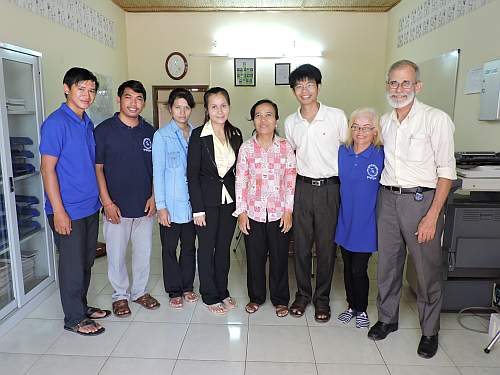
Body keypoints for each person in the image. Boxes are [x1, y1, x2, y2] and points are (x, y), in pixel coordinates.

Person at [367, 60, 456, 359]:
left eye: (406, 83)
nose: (399, 88)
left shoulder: (436, 119)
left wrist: (432, 215)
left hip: (422, 202)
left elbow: (446, 171)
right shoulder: (385, 120)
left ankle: (430, 332)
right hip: (388, 199)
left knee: (426, 270)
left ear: (417, 86)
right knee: (388, 266)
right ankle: (387, 319)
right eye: (393, 82)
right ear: (387, 86)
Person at [40, 67, 109, 336]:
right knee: (71, 265)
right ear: (67, 88)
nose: (88, 95)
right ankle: (74, 318)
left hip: (89, 207)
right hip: (67, 209)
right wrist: (58, 211)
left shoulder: (86, 122)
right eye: (82, 89)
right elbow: (47, 169)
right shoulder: (56, 123)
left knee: (85, 262)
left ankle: (81, 306)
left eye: (92, 90)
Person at [284, 64, 348, 322]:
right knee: (300, 246)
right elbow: (289, 160)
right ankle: (302, 295)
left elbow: (349, 150)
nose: (305, 90)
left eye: (310, 84)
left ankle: (322, 299)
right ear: (293, 91)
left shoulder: (336, 116)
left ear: (318, 87)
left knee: (325, 248)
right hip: (302, 188)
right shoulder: (291, 122)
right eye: (299, 86)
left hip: (330, 189)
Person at [94, 80, 159, 318]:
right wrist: (107, 203)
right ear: (119, 100)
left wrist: (154, 196)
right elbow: (98, 168)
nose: (134, 103)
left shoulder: (150, 132)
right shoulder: (103, 131)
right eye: (129, 97)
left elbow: (155, 170)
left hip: (144, 206)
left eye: (139, 98)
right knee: (117, 254)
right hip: (116, 209)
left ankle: (140, 291)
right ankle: (120, 296)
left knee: (143, 253)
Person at [234, 99, 296, 318]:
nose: (263, 119)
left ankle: (280, 299)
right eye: (258, 115)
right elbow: (240, 181)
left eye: (268, 114)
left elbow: (290, 181)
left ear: (276, 119)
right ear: (253, 119)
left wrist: (289, 211)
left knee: (280, 257)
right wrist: (241, 212)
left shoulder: (286, 147)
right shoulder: (246, 148)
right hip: (253, 212)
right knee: (255, 257)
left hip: (279, 212)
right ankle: (256, 297)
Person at [187, 87, 243, 315]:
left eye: (224, 105)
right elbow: (192, 174)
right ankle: (209, 295)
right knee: (207, 248)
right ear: (207, 110)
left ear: (229, 106)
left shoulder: (236, 134)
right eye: (214, 106)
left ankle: (222, 290)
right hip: (206, 203)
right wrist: (197, 210)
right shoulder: (198, 135)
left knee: (223, 249)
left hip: (229, 201)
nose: (220, 111)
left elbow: (239, 171)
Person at [335, 108, 384, 329]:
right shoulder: (342, 152)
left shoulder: (381, 154)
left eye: (366, 128)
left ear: (375, 131)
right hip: (345, 220)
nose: (360, 132)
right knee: (346, 266)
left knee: (359, 269)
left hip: (366, 223)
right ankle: (351, 305)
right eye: (356, 126)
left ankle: (362, 308)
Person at [153, 88, 198, 309]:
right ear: (170, 109)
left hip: (192, 205)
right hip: (170, 205)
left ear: (191, 109)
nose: (182, 112)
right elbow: (158, 173)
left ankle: (188, 286)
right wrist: (161, 207)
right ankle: (174, 290)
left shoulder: (197, 134)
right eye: (178, 107)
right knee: (170, 249)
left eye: (186, 107)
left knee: (189, 247)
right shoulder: (161, 136)